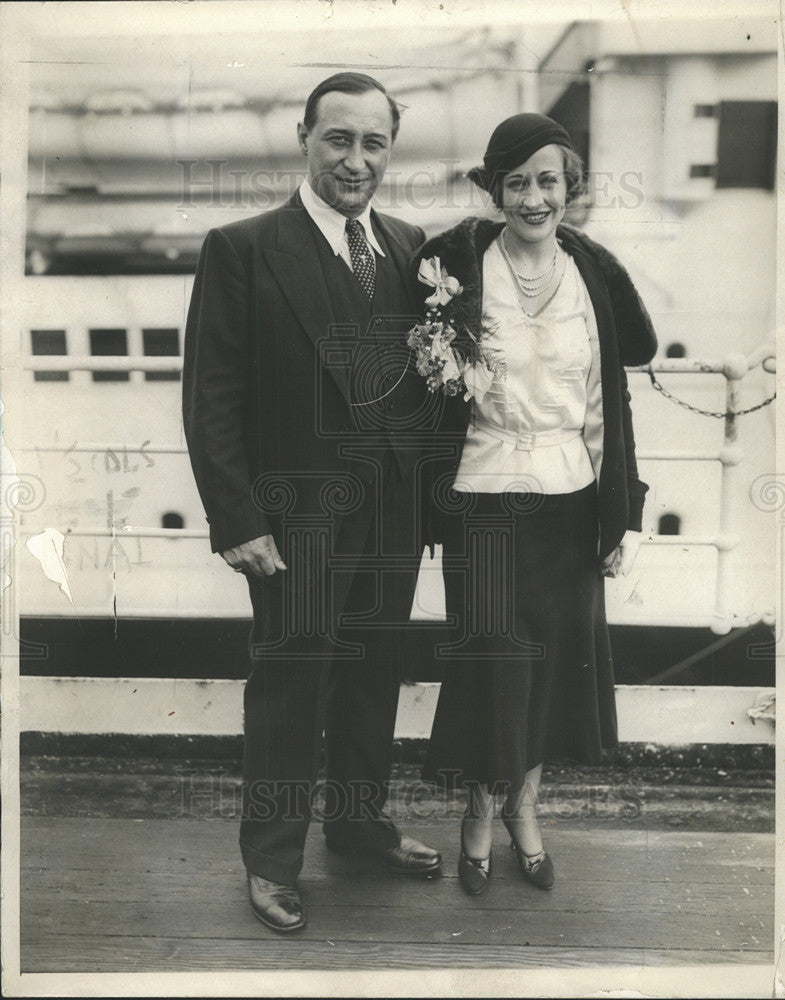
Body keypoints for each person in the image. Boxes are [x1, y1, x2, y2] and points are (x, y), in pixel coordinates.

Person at [183, 72, 443, 934]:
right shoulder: (243, 247)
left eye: (374, 143)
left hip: (391, 513)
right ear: (304, 137)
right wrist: (237, 521)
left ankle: (360, 828)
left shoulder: (412, 248)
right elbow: (212, 394)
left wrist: (430, 501)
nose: (356, 159)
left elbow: (432, 386)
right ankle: (271, 863)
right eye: (339, 139)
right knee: (290, 685)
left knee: (374, 676)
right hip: (292, 519)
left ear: (390, 149)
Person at [412, 113, 657, 895]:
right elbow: (425, 385)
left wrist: (622, 511)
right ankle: (478, 817)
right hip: (484, 500)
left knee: (551, 671)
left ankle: (526, 812)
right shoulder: (455, 264)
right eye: (516, 182)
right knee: (493, 666)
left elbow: (604, 402)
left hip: (569, 500)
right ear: (495, 190)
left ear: (569, 187)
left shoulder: (590, 272)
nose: (533, 197)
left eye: (548, 180)